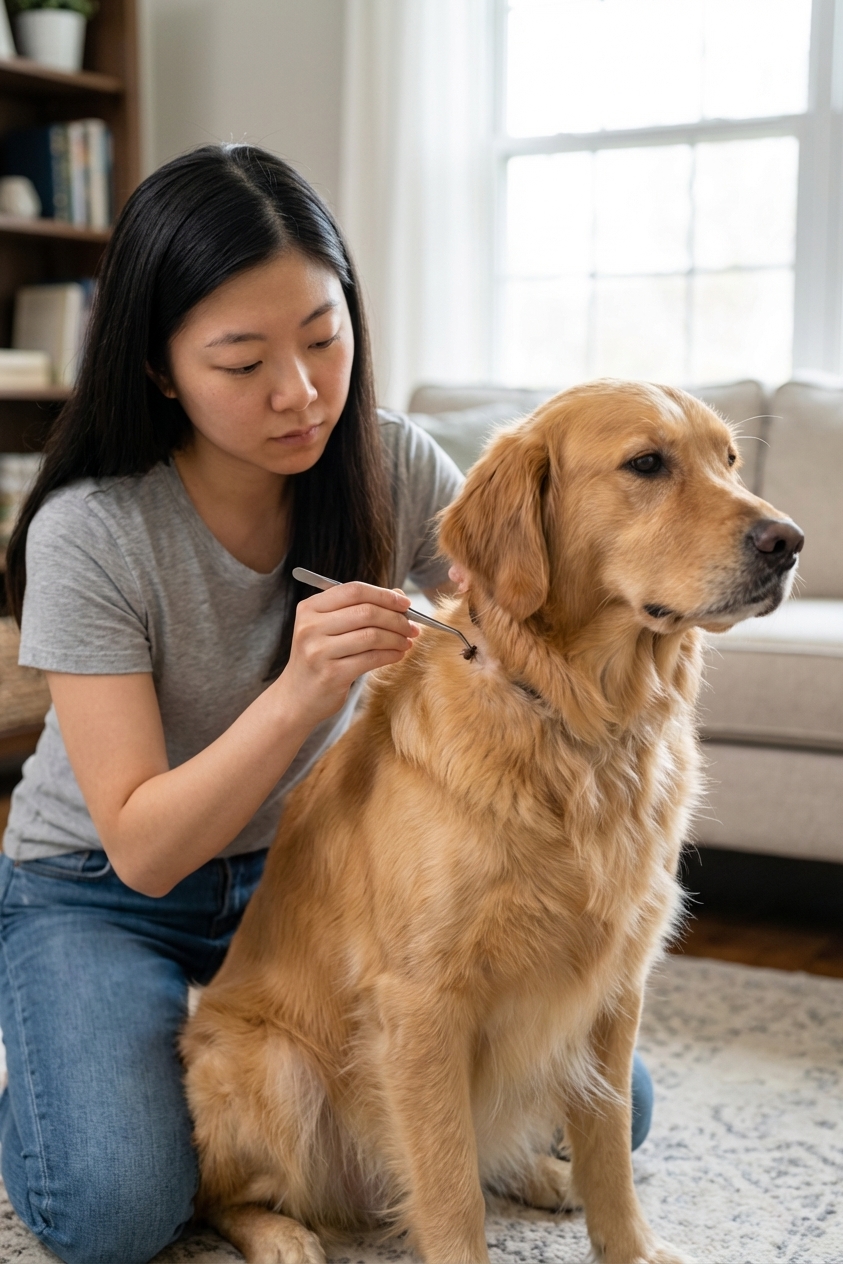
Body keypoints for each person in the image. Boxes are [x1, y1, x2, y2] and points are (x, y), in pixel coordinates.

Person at [0, 144, 652, 1264]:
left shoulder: (390, 461)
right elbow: (144, 847)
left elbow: (513, 617)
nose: (300, 392)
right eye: (243, 360)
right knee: (114, 1201)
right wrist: (302, 692)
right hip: (108, 891)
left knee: (611, 1102)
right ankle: (68, 1077)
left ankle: (168, 1067)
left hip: (309, 874)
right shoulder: (94, 533)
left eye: (323, 336)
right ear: (159, 369)